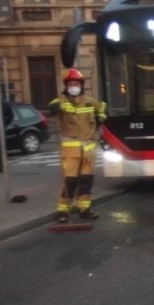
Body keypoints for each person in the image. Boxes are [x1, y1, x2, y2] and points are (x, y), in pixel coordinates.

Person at [49, 68, 107, 223]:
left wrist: (101, 117)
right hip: (71, 150)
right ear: (66, 86)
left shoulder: (89, 101)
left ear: (81, 85)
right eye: (71, 84)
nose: (74, 86)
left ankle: (84, 208)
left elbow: (102, 106)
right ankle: (62, 210)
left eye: (76, 83)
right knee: (70, 182)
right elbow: (53, 105)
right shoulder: (62, 101)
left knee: (86, 182)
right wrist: (54, 109)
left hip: (88, 150)